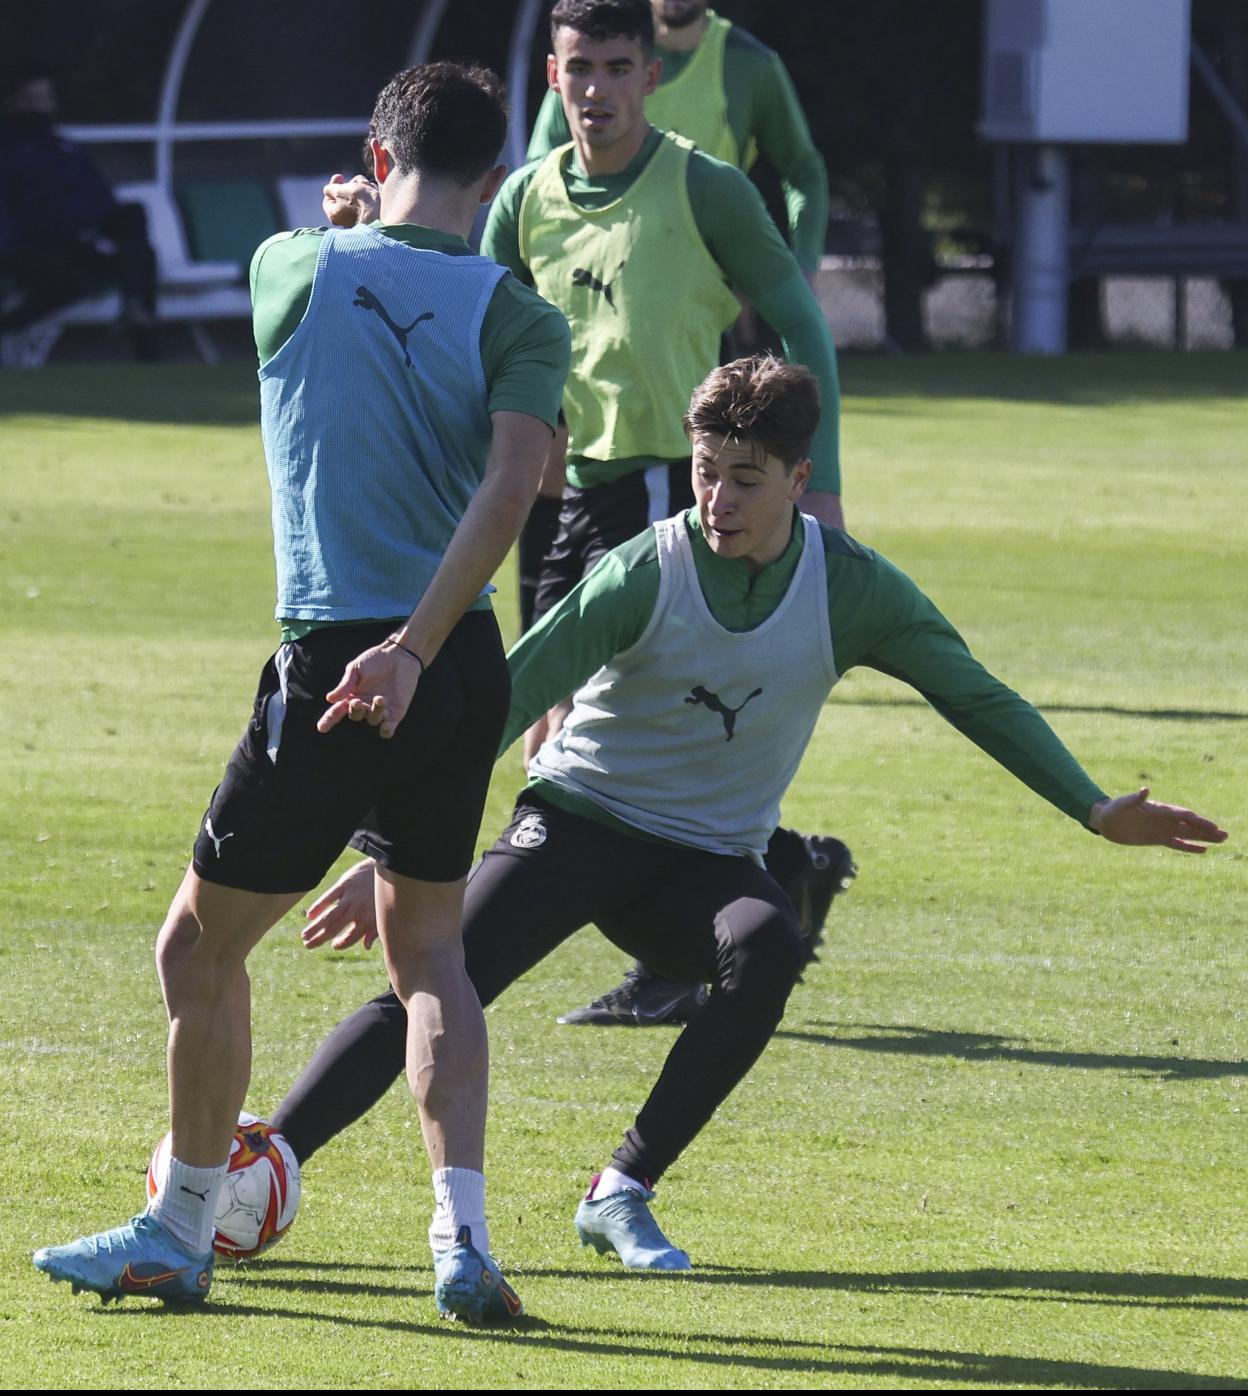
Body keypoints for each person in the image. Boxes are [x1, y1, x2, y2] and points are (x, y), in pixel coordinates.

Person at [266, 354, 1227, 1273]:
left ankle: (620, 1189)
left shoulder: (852, 587)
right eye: (705, 473)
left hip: (706, 859)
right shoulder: (647, 566)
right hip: (577, 819)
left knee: (767, 946)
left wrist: (1095, 808)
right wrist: (401, 852)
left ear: (801, 479)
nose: (717, 500)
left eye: (747, 480)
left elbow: (975, 696)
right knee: (434, 981)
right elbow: (506, 700)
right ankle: (263, 1162)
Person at [33, 62, 571, 1323]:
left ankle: (179, 1227)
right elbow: (518, 491)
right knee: (432, 952)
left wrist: (386, 652)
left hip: (339, 665)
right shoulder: (520, 310)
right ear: (492, 182)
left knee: (196, 947)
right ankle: (463, 1240)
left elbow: (328, 271)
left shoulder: (294, 266)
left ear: (377, 160)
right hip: (463, 663)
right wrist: (427, 648)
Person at [0, 65, 159, 359]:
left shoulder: (65, 148)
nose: (38, 107)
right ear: (12, 102)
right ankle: (7, 326)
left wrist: (90, 229)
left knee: (136, 233)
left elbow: (100, 201)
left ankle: (137, 316)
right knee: (80, 280)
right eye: (29, 99)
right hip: (28, 248)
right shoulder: (7, 150)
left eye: (43, 98)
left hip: (74, 243)